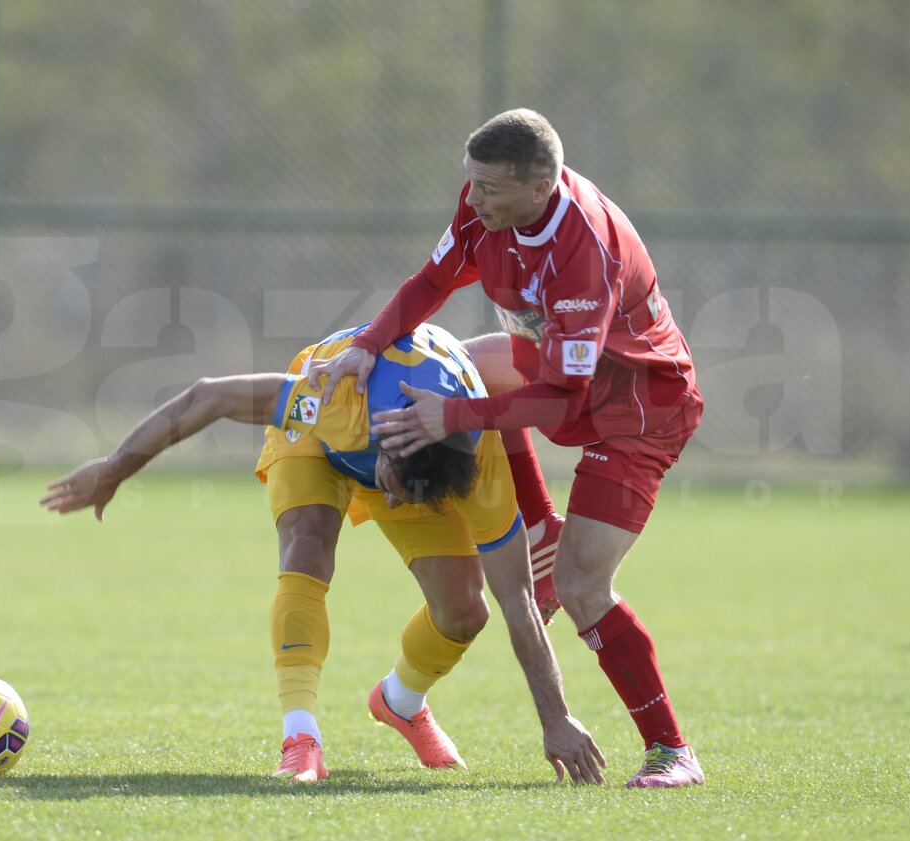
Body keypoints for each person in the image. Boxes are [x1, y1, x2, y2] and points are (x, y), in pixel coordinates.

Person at [310, 108, 706, 788]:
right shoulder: (486, 204)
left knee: (582, 586)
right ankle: (539, 526)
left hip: (637, 404)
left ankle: (673, 752)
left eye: (490, 188)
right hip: (553, 366)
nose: (474, 198)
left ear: (539, 189)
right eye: (473, 182)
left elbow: (562, 399)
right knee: (457, 366)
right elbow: (432, 280)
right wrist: (366, 346)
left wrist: (451, 416)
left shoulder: (585, 252)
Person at [42, 322, 606, 785]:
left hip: (408, 447)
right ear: (388, 444)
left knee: (465, 611)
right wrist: (115, 469)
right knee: (307, 547)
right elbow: (210, 395)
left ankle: (401, 702)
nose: (387, 499)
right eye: (391, 482)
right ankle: (300, 738)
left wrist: (557, 719)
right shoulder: (337, 401)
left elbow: (519, 600)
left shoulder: (477, 462)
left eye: (402, 497)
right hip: (322, 440)